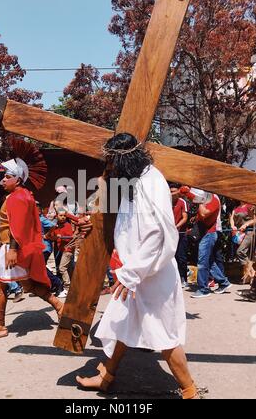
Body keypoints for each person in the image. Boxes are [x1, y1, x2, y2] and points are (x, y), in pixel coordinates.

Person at [76, 133, 198, 400]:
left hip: (151, 275)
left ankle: (190, 391)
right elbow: (115, 215)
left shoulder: (151, 183)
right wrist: (91, 222)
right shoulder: (134, 182)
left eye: (111, 163)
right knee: (122, 323)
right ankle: (105, 378)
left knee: (163, 334)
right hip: (136, 273)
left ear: (124, 160)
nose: (108, 169)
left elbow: (157, 234)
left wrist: (132, 273)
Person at [0, 158, 63, 341]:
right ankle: (59, 306)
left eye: (7, 177)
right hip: (11, 246)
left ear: (17, 179)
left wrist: (12, 250)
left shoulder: (18, 197)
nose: (3, 181)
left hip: (13, 247)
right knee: (28, 284)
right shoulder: (22, 195)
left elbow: (19, 226)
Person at [230, 202, 256, 282]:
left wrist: (246, 225)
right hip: (239, 234)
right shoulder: (236, 208)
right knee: (246, 254)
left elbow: (255, 219)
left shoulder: (250, 206)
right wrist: (232, 226)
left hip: (250, 231)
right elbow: (231, 218)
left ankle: (251, 272)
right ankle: (249, 277)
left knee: (240, 252)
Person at [170, 184, 189, 288]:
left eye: (174, 191)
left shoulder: (183, 202)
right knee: (170, 257)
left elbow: (185, 217)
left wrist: (176, 226)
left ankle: (184, 279)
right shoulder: (166, 202)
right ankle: (173, 279)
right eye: (170, 191)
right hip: (169, 234)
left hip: (181, 234)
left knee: (181, 257)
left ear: (178, 192)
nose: (172, 193)